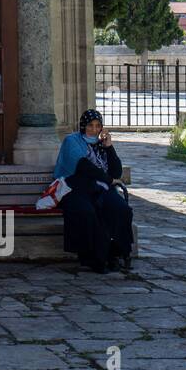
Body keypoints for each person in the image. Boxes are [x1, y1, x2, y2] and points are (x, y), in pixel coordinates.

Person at [53, 109, 134, 273]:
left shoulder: (100, 145)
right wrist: (109, 180)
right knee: (87, 212)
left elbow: (116, 172)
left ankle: (116, 253)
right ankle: (93, 258)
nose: (94, 129)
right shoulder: (72, 141)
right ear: (83, 126)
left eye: (98, 126)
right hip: (74, 187)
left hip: (100, 188)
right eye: (90, 125)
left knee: (120, 209)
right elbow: (83, 166)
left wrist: (109, 147)